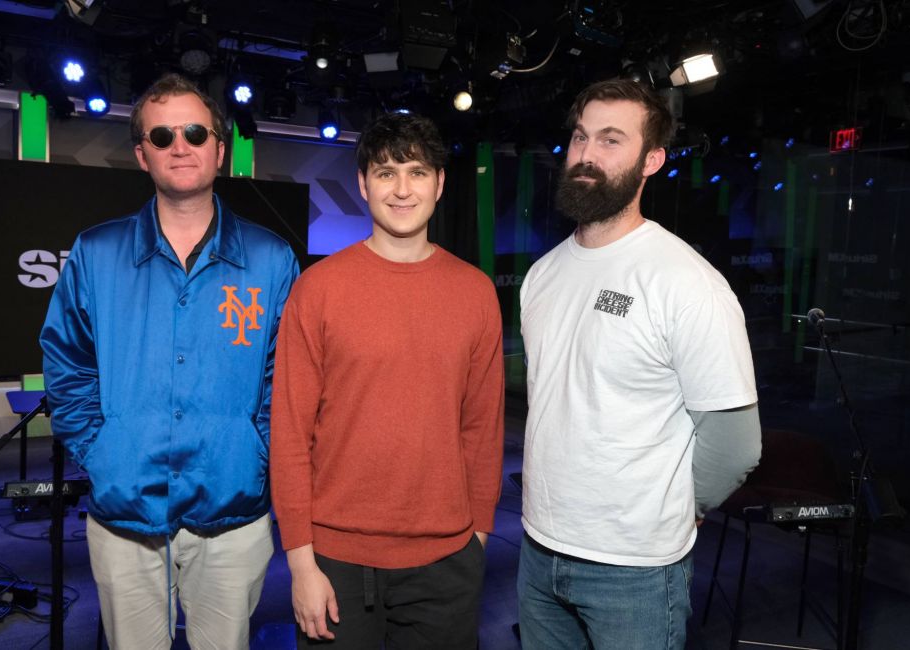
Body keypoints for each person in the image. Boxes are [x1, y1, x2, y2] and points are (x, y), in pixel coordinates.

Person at [39, 73, 299, 650]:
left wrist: (255, 453)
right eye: (161, 135)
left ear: (220, 148)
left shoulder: (271, 258)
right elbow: (68, 363)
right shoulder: (96, 252)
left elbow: (286, 379)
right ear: (142, 155)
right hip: (124, 509)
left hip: (234, 509)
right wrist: (104, 451)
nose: (179, 145)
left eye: (193, 131)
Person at [516, 78, 762, 649]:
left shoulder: (685, 282)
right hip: (538, 549)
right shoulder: (543, 274)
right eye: (580, 138)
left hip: (636, 570)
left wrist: (680, 508)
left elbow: (735, 444)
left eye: (610, 141)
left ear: (652, 160)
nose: (586, 155)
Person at [269, 111, 505, 649]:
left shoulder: (474, 292)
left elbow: (483, 430)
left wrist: (478, 539)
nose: (402, 189)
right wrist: (301, 562)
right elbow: (289, 433)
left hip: (447, 562)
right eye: (385, 173)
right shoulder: (318, 289)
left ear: (440, 184)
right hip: (335, 563)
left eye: (417, 172)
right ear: (363, 184)